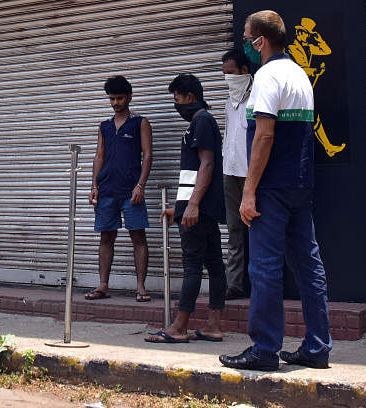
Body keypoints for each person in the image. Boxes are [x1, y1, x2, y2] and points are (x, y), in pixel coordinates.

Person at [220, 10, 332, 372]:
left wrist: (249, 191)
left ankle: (264, 350)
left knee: (264, 268)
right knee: (308, 266)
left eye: (246, 38)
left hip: (270, 187)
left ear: (260, 41)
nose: (244, 45)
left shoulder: (267, 77)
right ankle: (317, 347)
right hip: (300, 184)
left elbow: (264, 135)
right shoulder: (299, 74)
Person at [146, 73, 227, 343]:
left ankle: (179, 327)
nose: (177, 105)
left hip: (198, 208)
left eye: (178, 100)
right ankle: (214, 325)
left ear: (190, 97)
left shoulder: (201, 121)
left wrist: (191, 206)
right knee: (215, 264)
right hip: (199, 207)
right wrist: (178, 208)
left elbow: (206, 164)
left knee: (192, 265)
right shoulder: (202, 122)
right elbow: (193, 172)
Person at [86, 75, 153, 302]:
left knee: (138, 237)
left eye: (119, 98)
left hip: (131, 191)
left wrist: (140, 186)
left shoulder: (140, 123)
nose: (115, 103)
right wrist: (94, 185)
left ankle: (141, 287)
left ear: (129, 97)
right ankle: (103, 285)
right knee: (106, 237)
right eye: (112, 98)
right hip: (107, 190)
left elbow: (148, 155)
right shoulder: (104, 126)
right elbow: (99, 155)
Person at [220, 48, 253, 299]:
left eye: (231, 73)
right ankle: (235, 284)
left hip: (251, 173)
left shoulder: (257, 96)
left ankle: (262, 283)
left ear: (244, 71)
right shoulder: (229, 102)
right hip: (229, 171)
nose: (227, 78)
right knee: (234, 229)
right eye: (224, 74)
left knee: (259, 229)